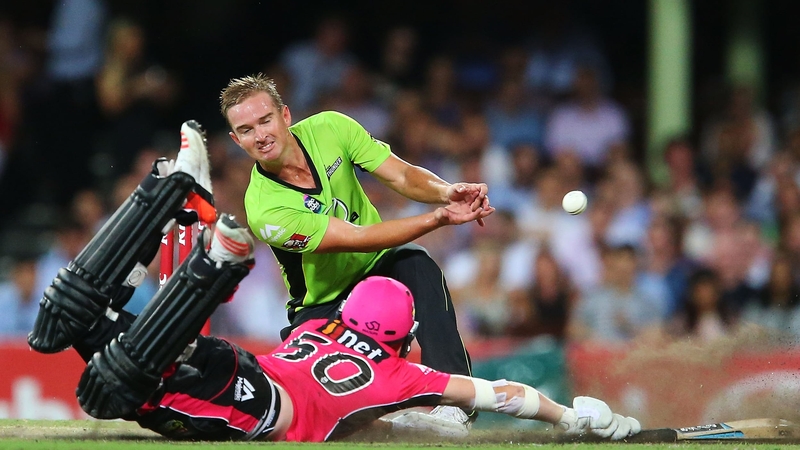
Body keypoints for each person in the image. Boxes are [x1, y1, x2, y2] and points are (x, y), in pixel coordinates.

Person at [26, 119, 640, 443]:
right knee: (118, 387)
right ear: (401, 340)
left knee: (65, 320)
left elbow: (397, 172)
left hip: (246, 367)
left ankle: (167, 197)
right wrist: (575, 417)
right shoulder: (401, 375)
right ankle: (211, 266)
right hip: (252, 406)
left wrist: (443, 193)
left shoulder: (321, 328)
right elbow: (508, 395)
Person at [219, 73, 494, 427]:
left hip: (379, 270)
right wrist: (438, 219)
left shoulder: (331, 128)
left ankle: (458, 403)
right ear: (235, 139)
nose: (260, 136)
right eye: (246, 130)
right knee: (318, 417)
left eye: (265, 120)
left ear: (285, 116)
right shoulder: (263, 209)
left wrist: (446, 192)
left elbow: (402, 176)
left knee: (417, 264)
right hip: (323, 306)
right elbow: (357, 237)